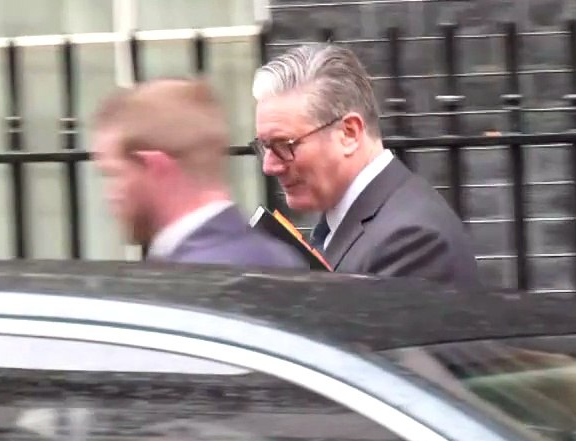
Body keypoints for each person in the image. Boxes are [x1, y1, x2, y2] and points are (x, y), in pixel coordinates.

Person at [251, 43, 480, 286]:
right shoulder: (351, 219)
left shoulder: (412, 241)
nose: (269, 166)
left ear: (349, 133)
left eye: (284, 145)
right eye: (265, 146)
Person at [91, 78, 307, 269]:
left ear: (155, 166)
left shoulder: (186, 282)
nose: (109, 194)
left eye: (114, 174)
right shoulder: (281, 258)